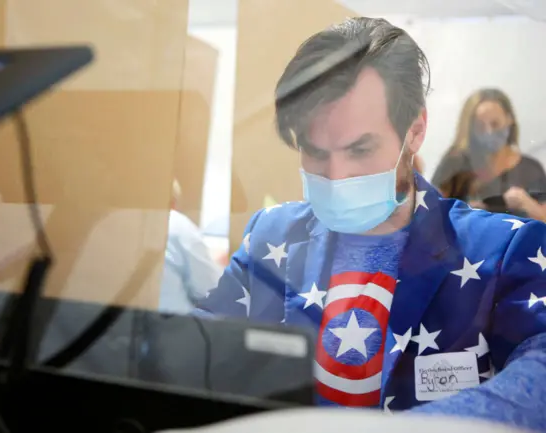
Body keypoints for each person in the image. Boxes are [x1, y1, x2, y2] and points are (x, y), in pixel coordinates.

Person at [194, 17, 546, 431]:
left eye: (359, 149)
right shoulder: (271, 237)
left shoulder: (500, 251)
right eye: (314, 151)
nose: (336, 174)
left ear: (414, 131)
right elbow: (197, 348)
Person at [432, 89, 546, 219]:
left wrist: (528, 205)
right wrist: (466, 212)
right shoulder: (455, 163)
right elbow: (430, 213)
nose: (489, 132)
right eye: (481, 126)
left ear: (509, 119)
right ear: (471, 129)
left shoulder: (531, 169)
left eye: (495, 124)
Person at [158, 179, 221, 314]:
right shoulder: (177, 223)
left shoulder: (112, 220)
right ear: (173, 202)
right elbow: (209, 290)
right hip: (171, 328)